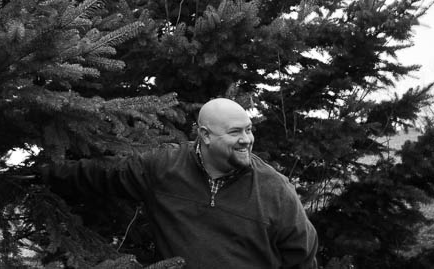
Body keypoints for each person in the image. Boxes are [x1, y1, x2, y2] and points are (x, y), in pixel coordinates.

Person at [42, 98, 318, 268]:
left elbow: (302, 258)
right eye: (235, 132)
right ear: (205, 135)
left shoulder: (275, 190)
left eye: (248, 130)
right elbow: (103, 174)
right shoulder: (164, 168)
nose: (246, 139)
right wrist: (41, 174)